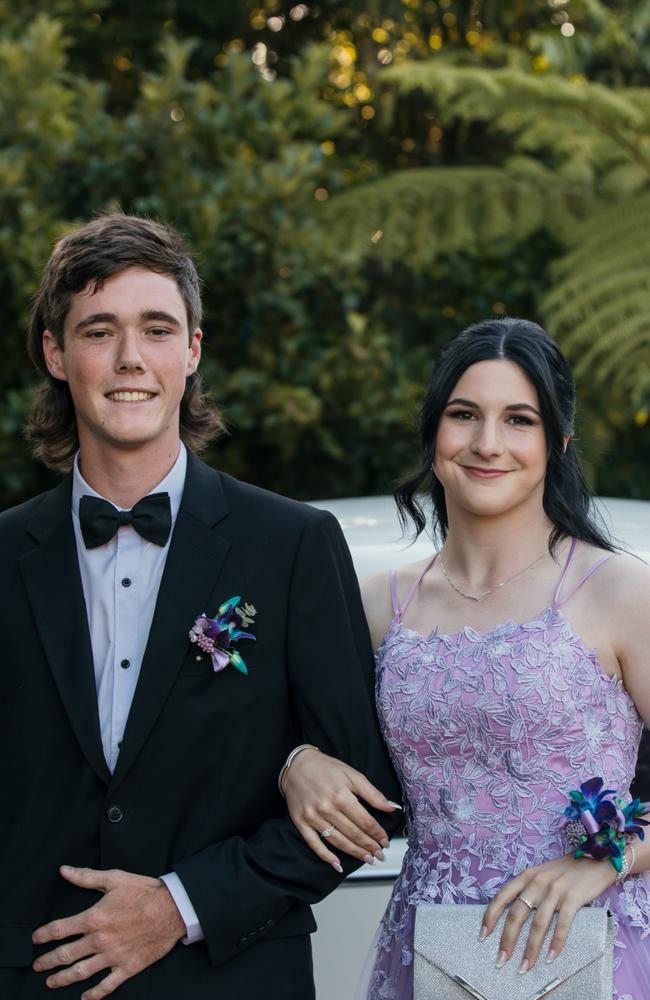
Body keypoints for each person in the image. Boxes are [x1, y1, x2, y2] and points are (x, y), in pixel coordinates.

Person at [0, 211, 403, 1000]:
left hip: (233, 978)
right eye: (97, 331)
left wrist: (180, 907)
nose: (129, 360)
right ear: (55, 353)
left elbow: (364, 811)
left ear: (191, 351)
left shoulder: (291, 547)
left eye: (156, 330)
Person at [283, 317, 650, 999]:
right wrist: (296, 762)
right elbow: (268, 733)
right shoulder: (372, 605)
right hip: (426, 952)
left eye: (519, 420)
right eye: (463, 415)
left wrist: (608, 860)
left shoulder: (622, 592)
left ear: (559, 441)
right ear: (434, 432)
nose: (487, 443)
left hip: (593, 949)